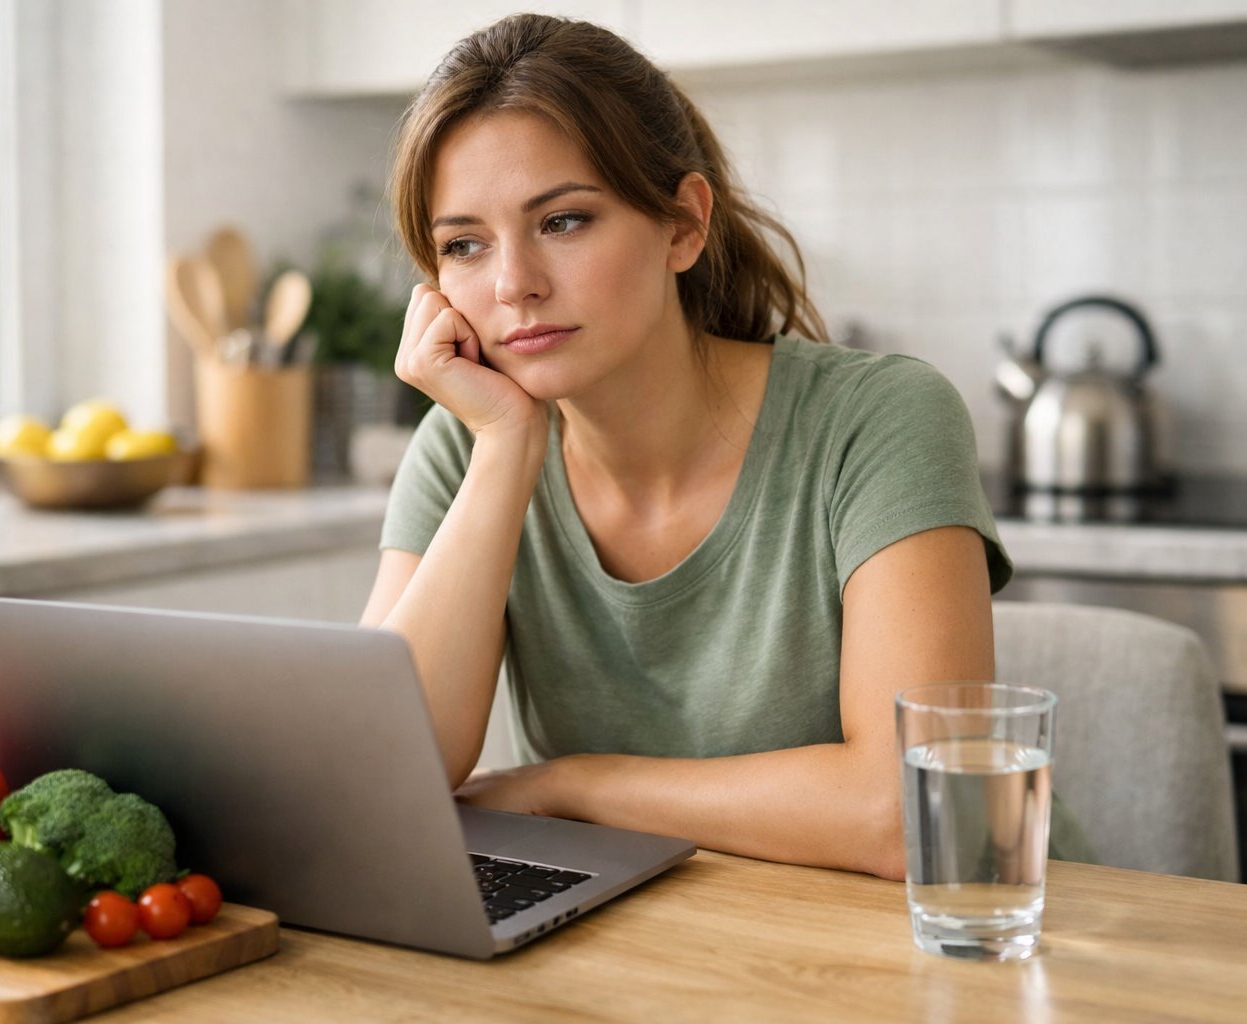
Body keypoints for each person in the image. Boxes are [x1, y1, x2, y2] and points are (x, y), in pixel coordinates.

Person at [360, 13, 1012, 882]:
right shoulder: (468, 445)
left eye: (563, 221)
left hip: (954, 947)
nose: (513, 282)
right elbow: (378, 779)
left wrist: (573, 788)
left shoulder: (880, 416)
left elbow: (914, 811)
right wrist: (507, 448)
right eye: (464, 245)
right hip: (666, 952)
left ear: (682, 226)